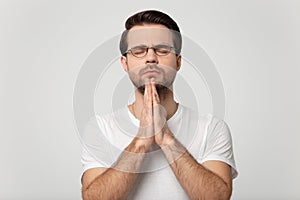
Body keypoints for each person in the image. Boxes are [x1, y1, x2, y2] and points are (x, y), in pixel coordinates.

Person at [80, 10, 238, 200]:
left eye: (162, 50)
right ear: (125, 63)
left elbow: (217, 198)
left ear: (178, 62)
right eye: (139, 51)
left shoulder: (211, 128)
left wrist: (165, 137)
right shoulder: (101, 128)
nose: (151, 58)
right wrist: (142, 139)